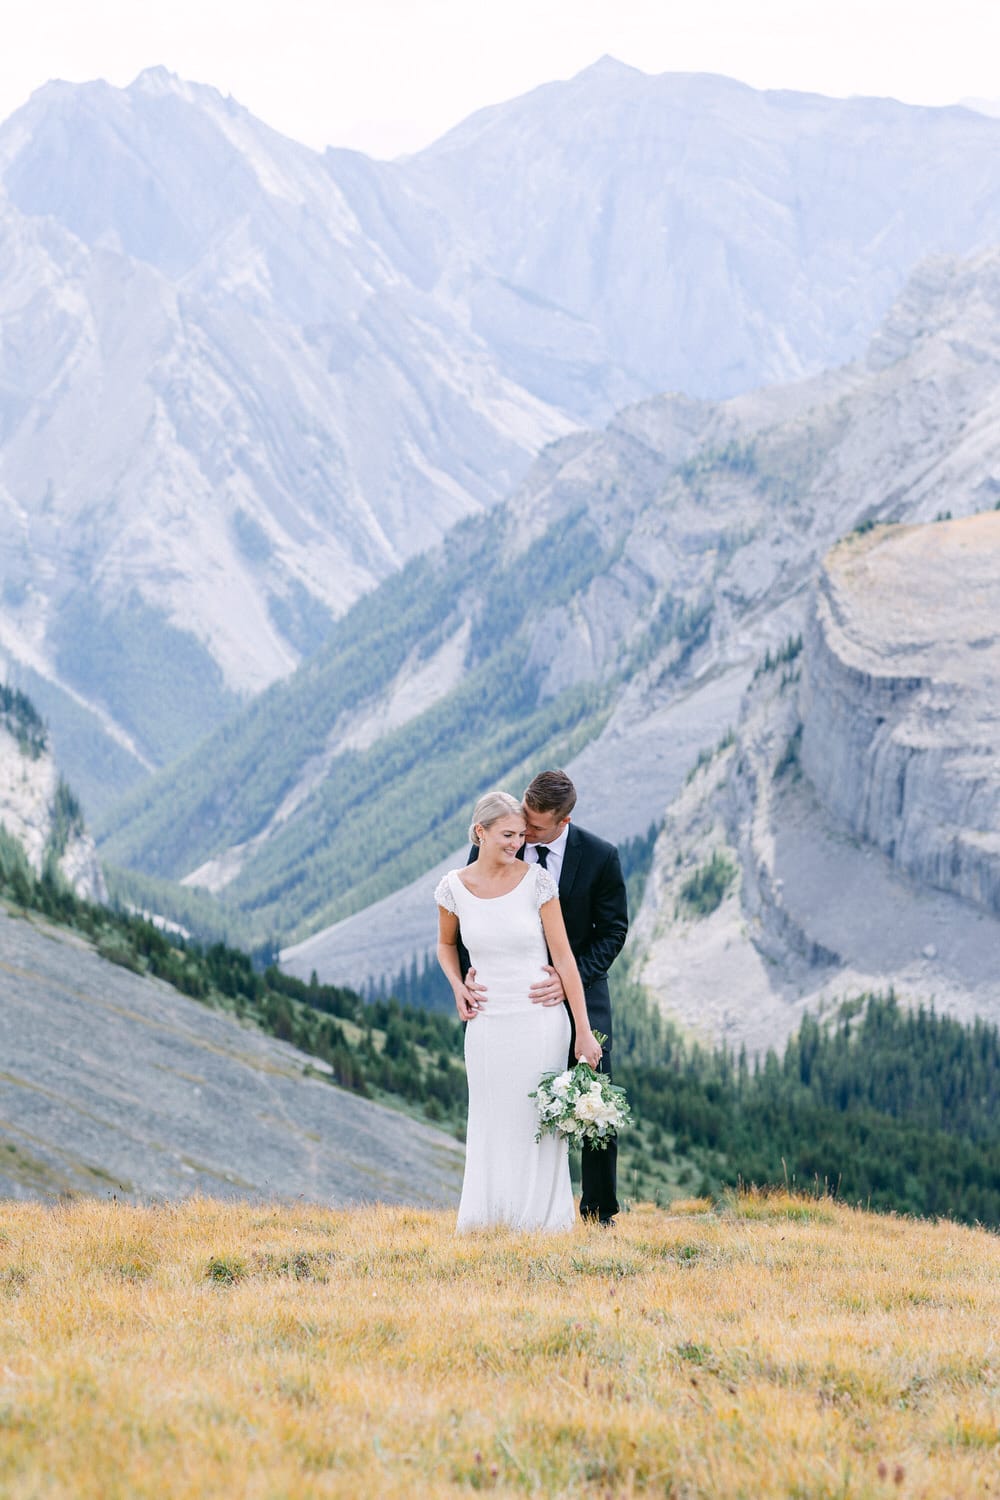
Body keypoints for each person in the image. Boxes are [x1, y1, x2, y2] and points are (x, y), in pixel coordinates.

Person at [465, 770, 628, 1225]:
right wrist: (466, 977)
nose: (523, 835)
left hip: (581, 992)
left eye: (534, 828)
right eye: (522, 821)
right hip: (505, 999)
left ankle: (599, 1213)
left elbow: (613, 931)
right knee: (509, 1101)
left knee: (595, 1101)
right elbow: (469, 912)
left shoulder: (599, 856)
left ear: (565, 820)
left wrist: (568, 976)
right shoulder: (499, 840)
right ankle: (511, 1206)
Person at [435, 790, 603, 1232]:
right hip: (487, 1022)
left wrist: (583, 1031)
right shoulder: (452, 888)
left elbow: (565, 959)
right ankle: (489, 1220)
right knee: (492, 1119)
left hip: (541, 1022)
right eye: (508, 835)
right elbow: (446, 944)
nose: (517, 843)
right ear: (480, 832)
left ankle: (542, 1223)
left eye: (521, 835)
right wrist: (457, 985)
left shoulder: (538, 883)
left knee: (537, 1123)